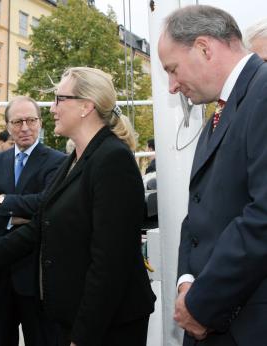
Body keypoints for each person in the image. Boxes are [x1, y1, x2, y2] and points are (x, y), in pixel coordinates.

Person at [0, 67, 155, 345]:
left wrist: (82, 337)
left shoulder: (113, 160)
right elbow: (38, 227)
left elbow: (111, 264)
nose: (52, 109)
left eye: (59, 99)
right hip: (76, 316)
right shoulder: (74, 159)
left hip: (108, 325)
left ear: (86, 106)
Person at [158, 5, 267, 345]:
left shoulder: (262, 94)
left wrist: (202, 303)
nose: (172, 87)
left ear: (204, 48)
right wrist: (186, 281)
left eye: (173, 70)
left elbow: (262, 216)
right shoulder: (219, 116)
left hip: (246, 321)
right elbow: (199, 213)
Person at [0, 96, 66, 346]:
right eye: (17, 121)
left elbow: (47, 204)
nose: (24, 128)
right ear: (8, 125)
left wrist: (3, 200)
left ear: (40, 122)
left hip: (35, 275)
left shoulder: (58, 161)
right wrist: (17, 218)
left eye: (31, 120)